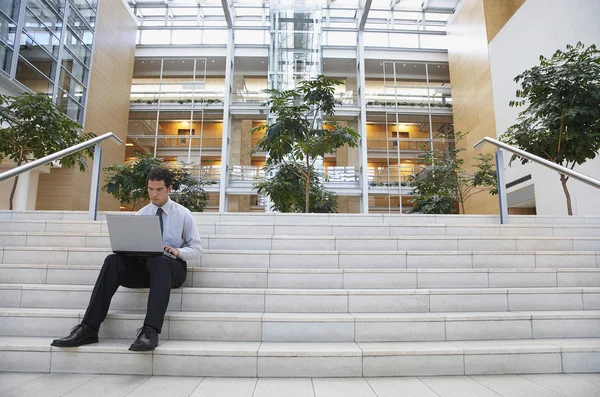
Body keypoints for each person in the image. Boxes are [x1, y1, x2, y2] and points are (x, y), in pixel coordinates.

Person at [51, 167, 202, 351]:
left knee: (159, 260)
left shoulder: (183, 214)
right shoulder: (142, 214)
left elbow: (196, 249)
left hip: (171, 270)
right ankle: (89, 328)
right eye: (150, 189)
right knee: (112, 260)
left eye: (159, 190)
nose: (153, 194)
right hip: (145, 268)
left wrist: (176, 251)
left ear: (169, 188)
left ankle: (150, 331)